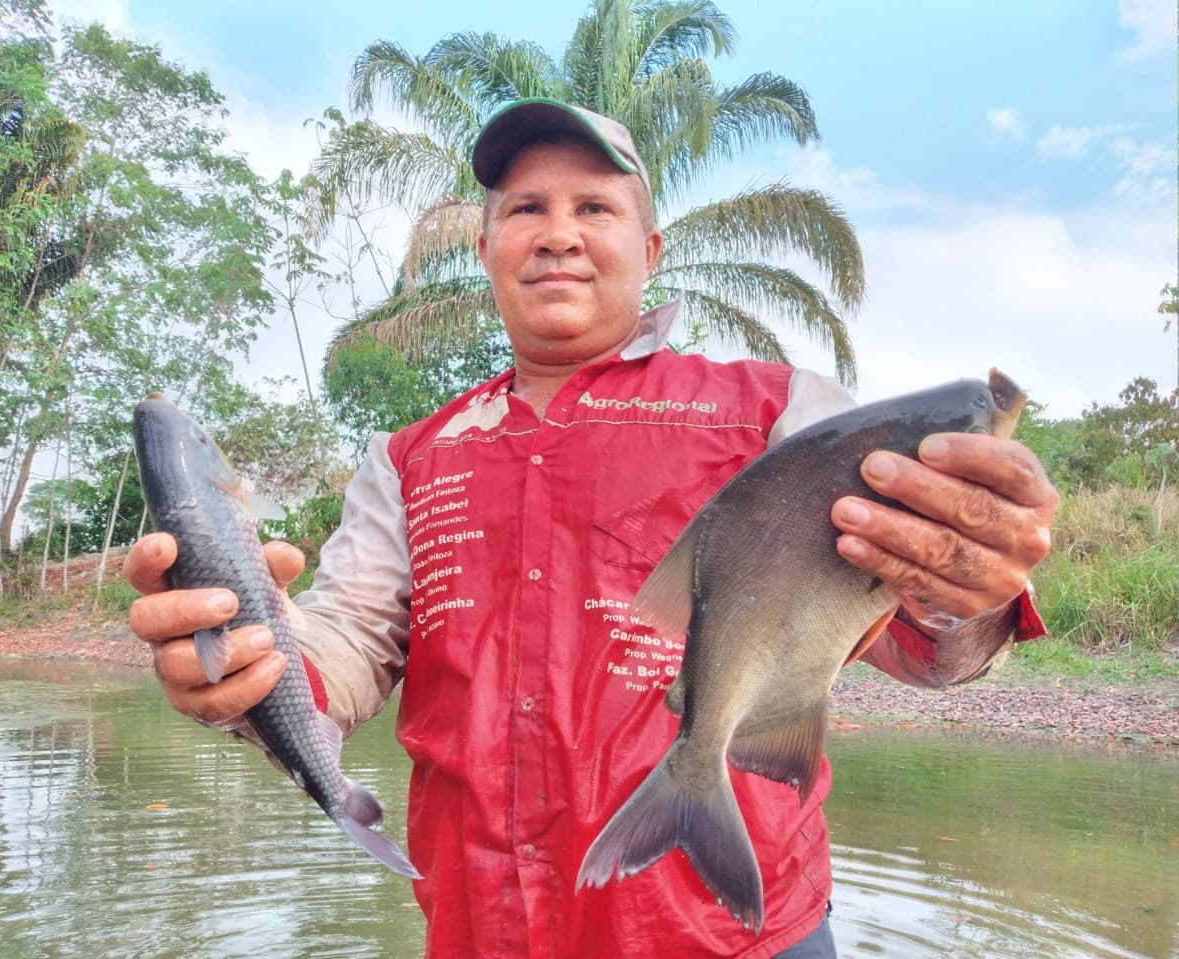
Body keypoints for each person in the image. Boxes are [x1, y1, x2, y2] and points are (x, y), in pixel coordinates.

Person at [124, 98, 1058, 958]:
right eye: (525, 208)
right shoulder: (407, 455)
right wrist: (253, 666)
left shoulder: (786, 412)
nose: (559, 233)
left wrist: (962, 594)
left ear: (650, 250)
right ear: (487, 247)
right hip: (478, 931)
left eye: (595, 209)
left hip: (744, 935)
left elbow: (921, 645)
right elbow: (348, 637)